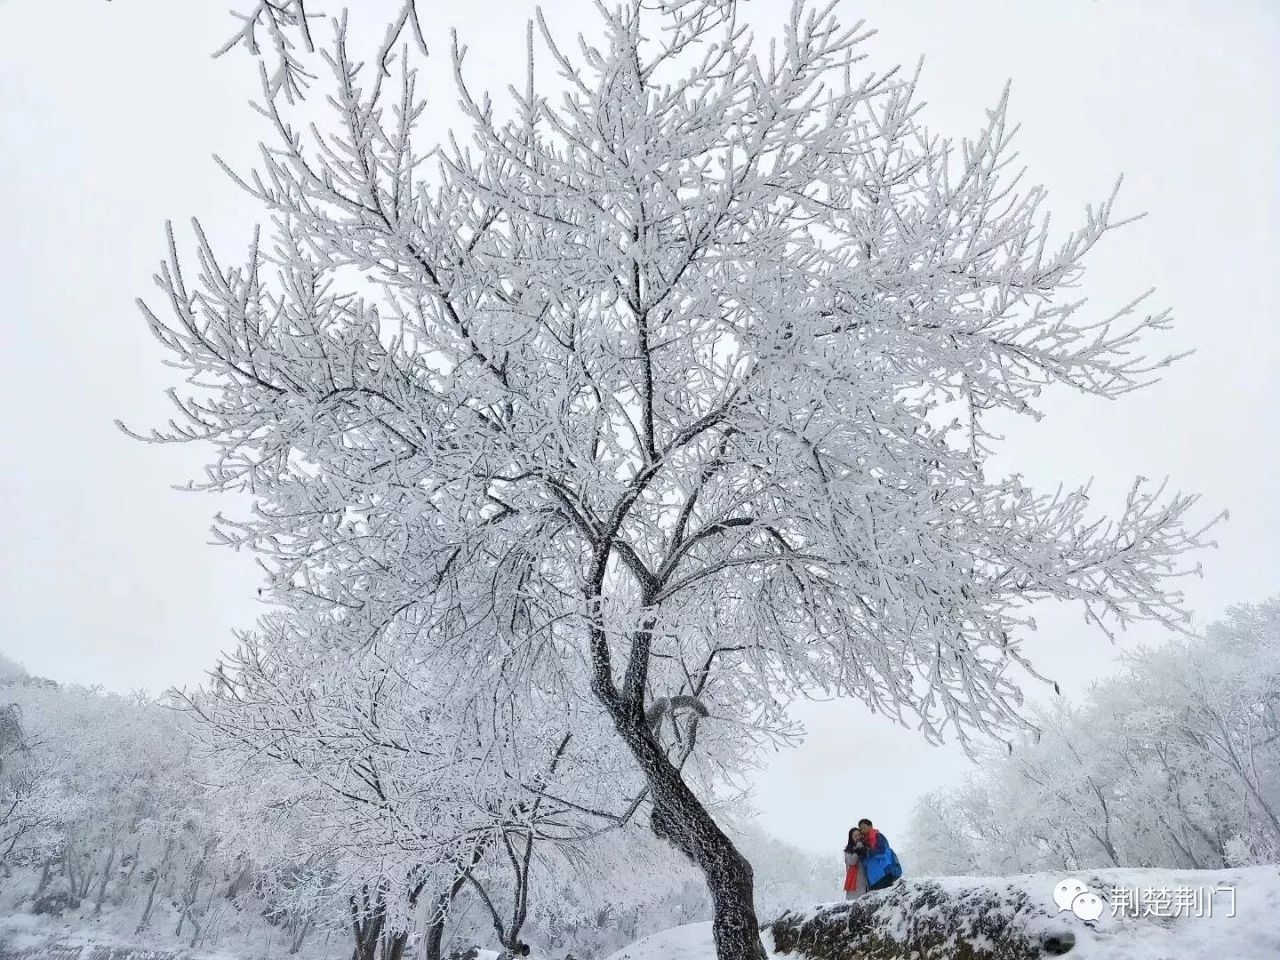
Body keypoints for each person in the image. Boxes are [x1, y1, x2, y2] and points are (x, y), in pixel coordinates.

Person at [853, 818, 903, 892]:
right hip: (872, 879)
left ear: (870, 826)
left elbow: (882, 851)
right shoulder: (863, 842)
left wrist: (867, 851)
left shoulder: (878, 836)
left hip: (883, 874)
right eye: (861, 829)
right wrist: (860, 852)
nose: (863, 830)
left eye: (864, 827)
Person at [842, 827, 868, 900]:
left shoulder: (866, 847)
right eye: (855, 836)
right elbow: (852, 862)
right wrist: (857, 850)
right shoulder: (848, 850)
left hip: (865, 881)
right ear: (851, 838)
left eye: (859, 835)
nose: (858, 837)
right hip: (854, 881)